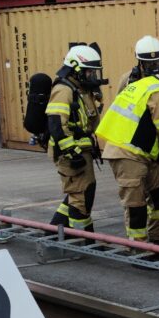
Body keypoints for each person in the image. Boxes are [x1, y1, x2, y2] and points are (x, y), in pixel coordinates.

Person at [95, 68, 159, 247]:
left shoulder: (144, 84)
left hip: (141, 153)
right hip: (127, 153)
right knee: (136, 205)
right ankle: (138, 248)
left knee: (158, 197)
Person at [46, 44, 106, 231]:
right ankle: (83, 239)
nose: (92, 76)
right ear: (76, 69)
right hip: (71, 153)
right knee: (82, 197)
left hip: (82, 151)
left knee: (78, 192)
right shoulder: (64, 90)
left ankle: (55, 230)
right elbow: (57, 125)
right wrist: (72, 152)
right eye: (89, 72)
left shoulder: (80, 89)